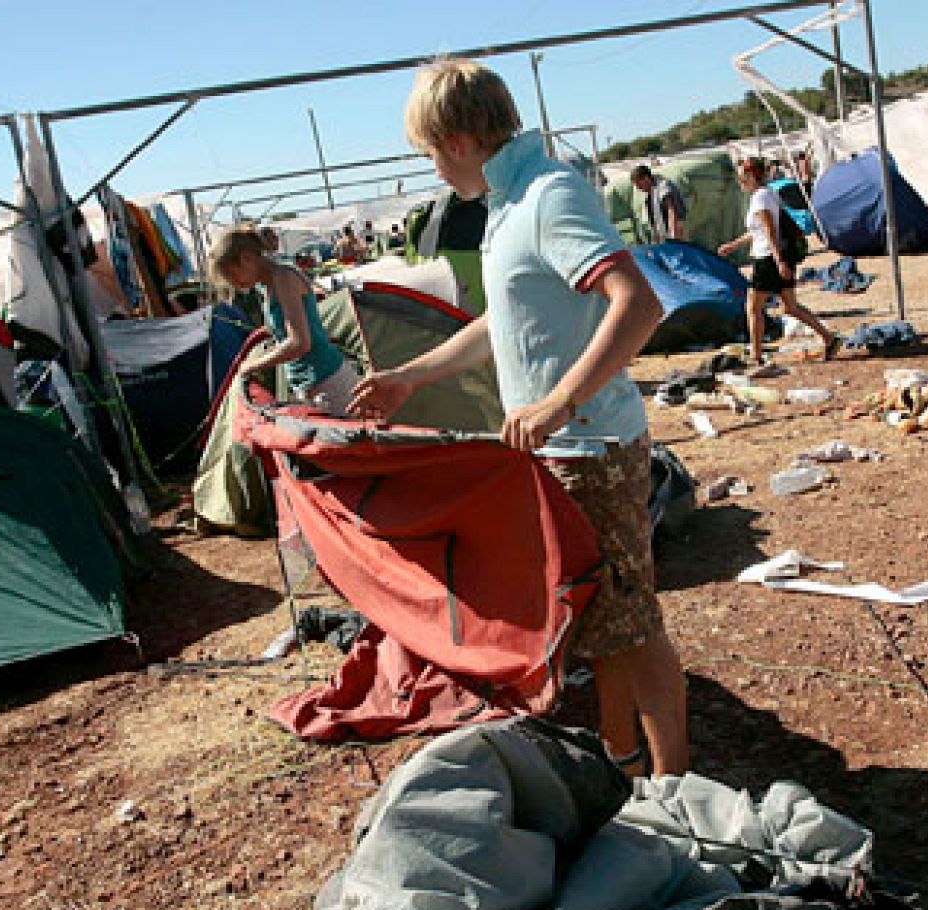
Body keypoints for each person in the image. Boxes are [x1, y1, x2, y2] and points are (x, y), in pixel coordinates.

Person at [350, 59, 690, 777]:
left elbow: (639, 303)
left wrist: (559, 399)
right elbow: (501, 324)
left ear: (459, 141)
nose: (434, 170)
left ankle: (675, 789)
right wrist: (410, 377)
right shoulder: (507, 203)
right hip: (564, 451)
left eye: (431, 154)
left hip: (592, 448)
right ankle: (623, 759)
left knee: (635, 628)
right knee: (601, 622)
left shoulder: (546, 195)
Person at [208, 226, 360, 414]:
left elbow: (299, 342)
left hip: (330, 385)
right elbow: (284, 339)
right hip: (312, 385)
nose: (233, 284)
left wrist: (252, 365)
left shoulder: (283, 278)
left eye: (232, 275)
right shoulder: (267, 286)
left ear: (246, 258)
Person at [717, 157, 839, 361]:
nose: (740, 182)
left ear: (751, 176)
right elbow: (759, 231)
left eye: (741, 177)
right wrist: (734, 245)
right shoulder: (768, 193)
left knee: (753, 307)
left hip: (767, 258)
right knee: (790, 307)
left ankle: (756, 355)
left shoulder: (760, 198)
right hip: (774, 255)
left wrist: (778, 261)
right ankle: (829, 338)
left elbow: (770, 231)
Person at [630, 165, 687, 242]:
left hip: (676, 232)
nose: (639, 189)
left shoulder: (663, 186)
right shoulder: (650, 193)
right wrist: (657, 237)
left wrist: (674, 235)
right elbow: (654, 218)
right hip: (665, 235)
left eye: (639, 185)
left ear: (646, 178)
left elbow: (671, 210)